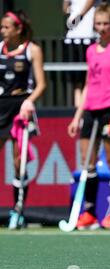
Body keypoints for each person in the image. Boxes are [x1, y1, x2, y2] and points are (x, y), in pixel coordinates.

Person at [67, 2, 110, 230]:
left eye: (106, 24)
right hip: (90, 110)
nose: (102, 28)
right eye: (98, 24)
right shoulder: (90, 50)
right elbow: (88, 84)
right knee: (87, 163)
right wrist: (77, 116)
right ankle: (89, 213)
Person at [0, 10, 46, 229]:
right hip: (1, 107)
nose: (3, 31)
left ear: (18, 29)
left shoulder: (32, 50)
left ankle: (18, 210)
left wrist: (29, 101)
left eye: (7, 27)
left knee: (18, 161)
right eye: (2, 27)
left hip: (21, 109)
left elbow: (41, 84)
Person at [63, 0, 97, 109]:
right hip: (73, 36)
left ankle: (86, 107)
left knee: (89, 76)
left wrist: (79, 17)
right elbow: (65, 9)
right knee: (76, 78)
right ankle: (78, 108)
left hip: (88, 35)